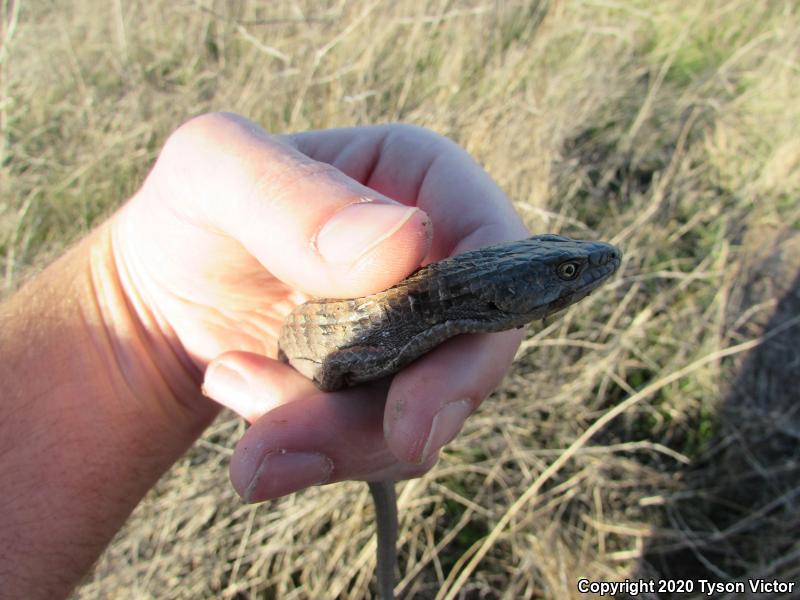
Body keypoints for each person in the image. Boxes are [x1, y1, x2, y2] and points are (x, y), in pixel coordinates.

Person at [0, 113, 528, 598]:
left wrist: (146, 309)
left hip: (318, 340)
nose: (593, 268)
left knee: (399, 423)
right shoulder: (425, 296)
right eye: (564, 272)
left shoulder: (444, 304)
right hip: (310, 345)